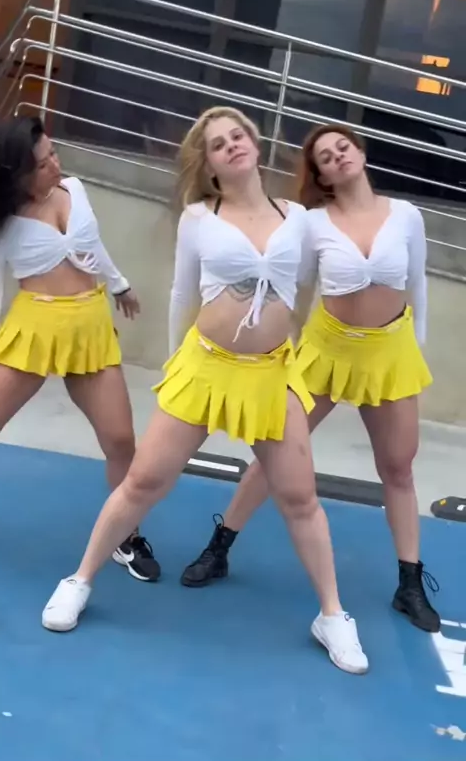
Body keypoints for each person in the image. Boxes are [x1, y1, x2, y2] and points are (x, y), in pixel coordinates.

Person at [42, 106, 368, 675]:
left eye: (238, 135)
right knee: (144, 481)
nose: (232, 145)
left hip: (270, 374)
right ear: (210, 165)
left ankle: (333, 615)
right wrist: (176, 366)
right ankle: (80, 579)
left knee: (299, 498)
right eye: (219, 144)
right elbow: (181, 294)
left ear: (256, 144)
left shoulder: (299, 218)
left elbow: (313, 282)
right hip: (205, 366)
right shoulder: (199, 217)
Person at [180, 123, 440, 635]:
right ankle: (221, 546)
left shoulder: (406, 215)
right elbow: (284, 283)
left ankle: (409, 583)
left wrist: (417, 349)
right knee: (273, 455)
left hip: (390, 353)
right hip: (324, 350)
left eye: (343, 146)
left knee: (398, 468)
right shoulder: (312, 223)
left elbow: (418, 284)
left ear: (360, 151)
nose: (337, 156)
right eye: (325, 156)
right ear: (319, 174)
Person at [0, 115, 160, 583]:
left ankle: (126, 534)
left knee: (120, 440)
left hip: (89, 326)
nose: (56, 166)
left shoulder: (75, 189)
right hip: (35, 329)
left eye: (54, 153)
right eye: (43, 164)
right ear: (17, 174)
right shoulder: (2, 220)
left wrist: (119, 284)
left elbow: (92, 246)